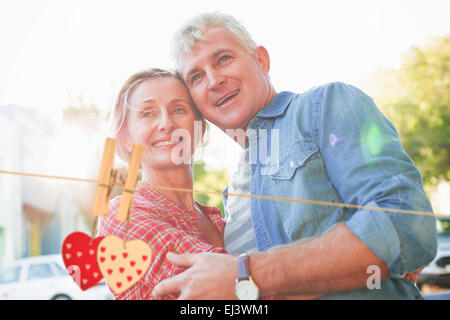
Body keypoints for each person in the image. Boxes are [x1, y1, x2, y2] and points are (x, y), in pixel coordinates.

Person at [151, 12, 438, 299]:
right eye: (196, 76)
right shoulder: (233, 195)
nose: (213, 81)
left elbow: (407, 225)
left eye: (223, 58)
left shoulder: (323, 107)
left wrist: (246, 274)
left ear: (261, 60)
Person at [96, 68, 227, 299]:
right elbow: (230, 283)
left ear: (200, 129)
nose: (166, 124)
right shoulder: (121, 215)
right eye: (147, 113)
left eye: (178, 109)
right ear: (126, 138)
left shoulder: (217, 219)